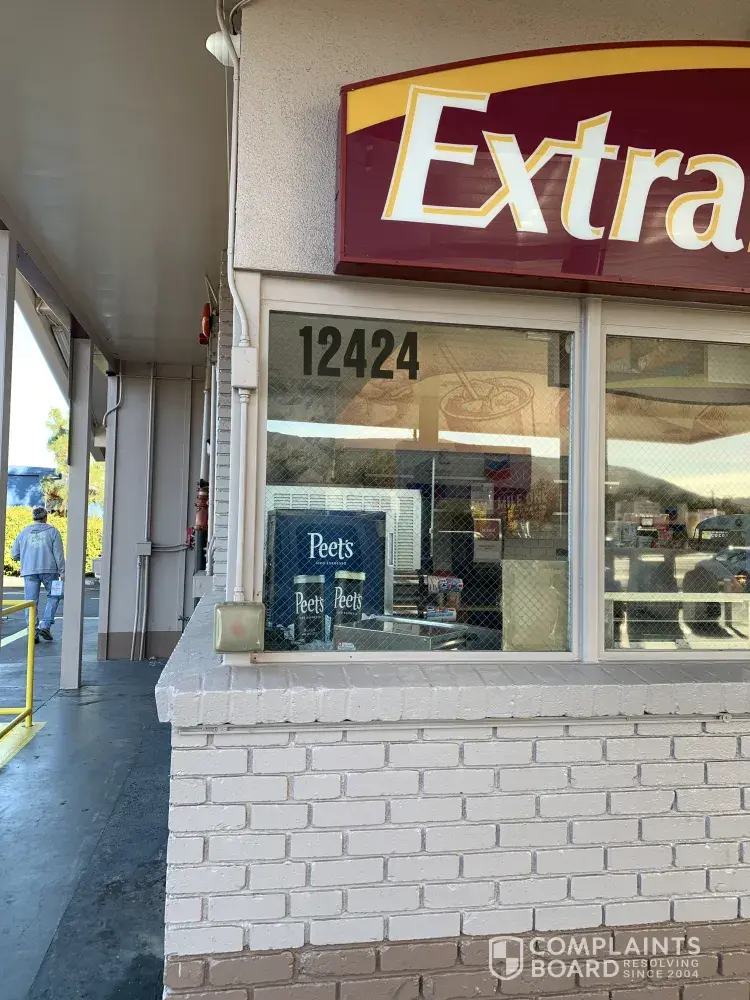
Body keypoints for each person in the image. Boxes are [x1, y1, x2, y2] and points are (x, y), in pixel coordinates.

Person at [10, 506, 65, 642]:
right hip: (50, 571)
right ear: (45, 517)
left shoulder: (24, 532)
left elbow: (14, 554)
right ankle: (46, 624)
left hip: (29, 571)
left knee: (30, 602)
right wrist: (63, 572)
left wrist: (27, 556)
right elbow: (58, 554)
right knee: (55, 595)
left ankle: (32, 633)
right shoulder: (53, 531)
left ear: (33, 517)